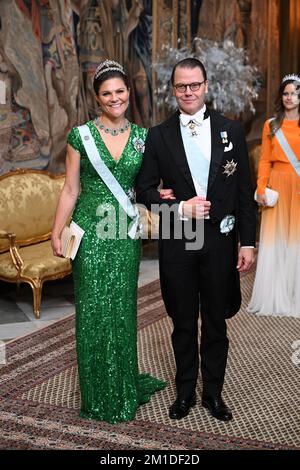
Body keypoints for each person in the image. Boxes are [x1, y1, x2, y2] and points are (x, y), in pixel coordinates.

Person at [136, 58, 256, 422]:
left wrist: (248, 242)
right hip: (179, 237)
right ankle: (185, 392)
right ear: (173, 89)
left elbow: (243, 190)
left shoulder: (230, 130)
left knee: (216, 321)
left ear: (206, 86)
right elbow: (143, 190)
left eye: (194, 85)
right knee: (183, 320)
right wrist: (177, 207)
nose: (188, 92)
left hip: (220, 240)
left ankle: (213, 395)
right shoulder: (157, 135)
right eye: (181, 86)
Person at [51, 59, 168, 424]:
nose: (114, 98)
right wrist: (57, 229)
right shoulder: (79, 136)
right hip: (90, 232)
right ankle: (97, 394)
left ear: (128, 94)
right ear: (97, 98)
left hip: (123, 233)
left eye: (120, 91)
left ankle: (121, 386)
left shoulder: (143, 137)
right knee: (92, 311)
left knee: (121, 309)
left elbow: (150, 185)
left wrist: (168, 196)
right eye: (106, 94)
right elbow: (71, 189)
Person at [247, 74, 300, 317]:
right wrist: (260, 187)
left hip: (298, 184)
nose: (290, 97)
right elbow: (266, 160)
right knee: (276, 237)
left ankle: (294, 294)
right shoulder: (271, 125)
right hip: (277, 185)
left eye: (295, 93)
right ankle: (275, 295)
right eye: (286, 93)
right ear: (282, 96)